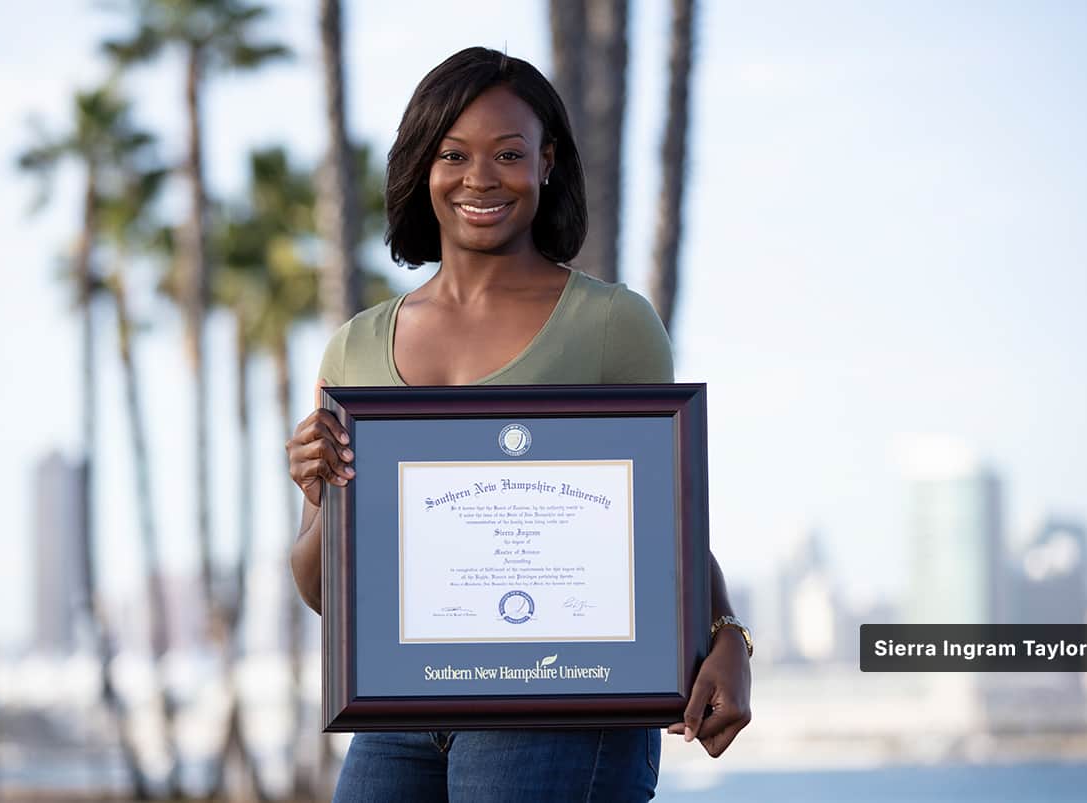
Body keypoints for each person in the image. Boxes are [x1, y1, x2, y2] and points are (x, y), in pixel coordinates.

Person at [285, 47, 752, 802]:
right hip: (399, 714)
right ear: (422, 166)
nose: (480, 178)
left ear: (547, 164)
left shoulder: (611, 324)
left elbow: (663, 527)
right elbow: (321, 589)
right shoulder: (356, 347)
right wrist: (320, 491)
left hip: (562, 709)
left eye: (509, 153)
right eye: (454, 154)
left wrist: (730, 636)